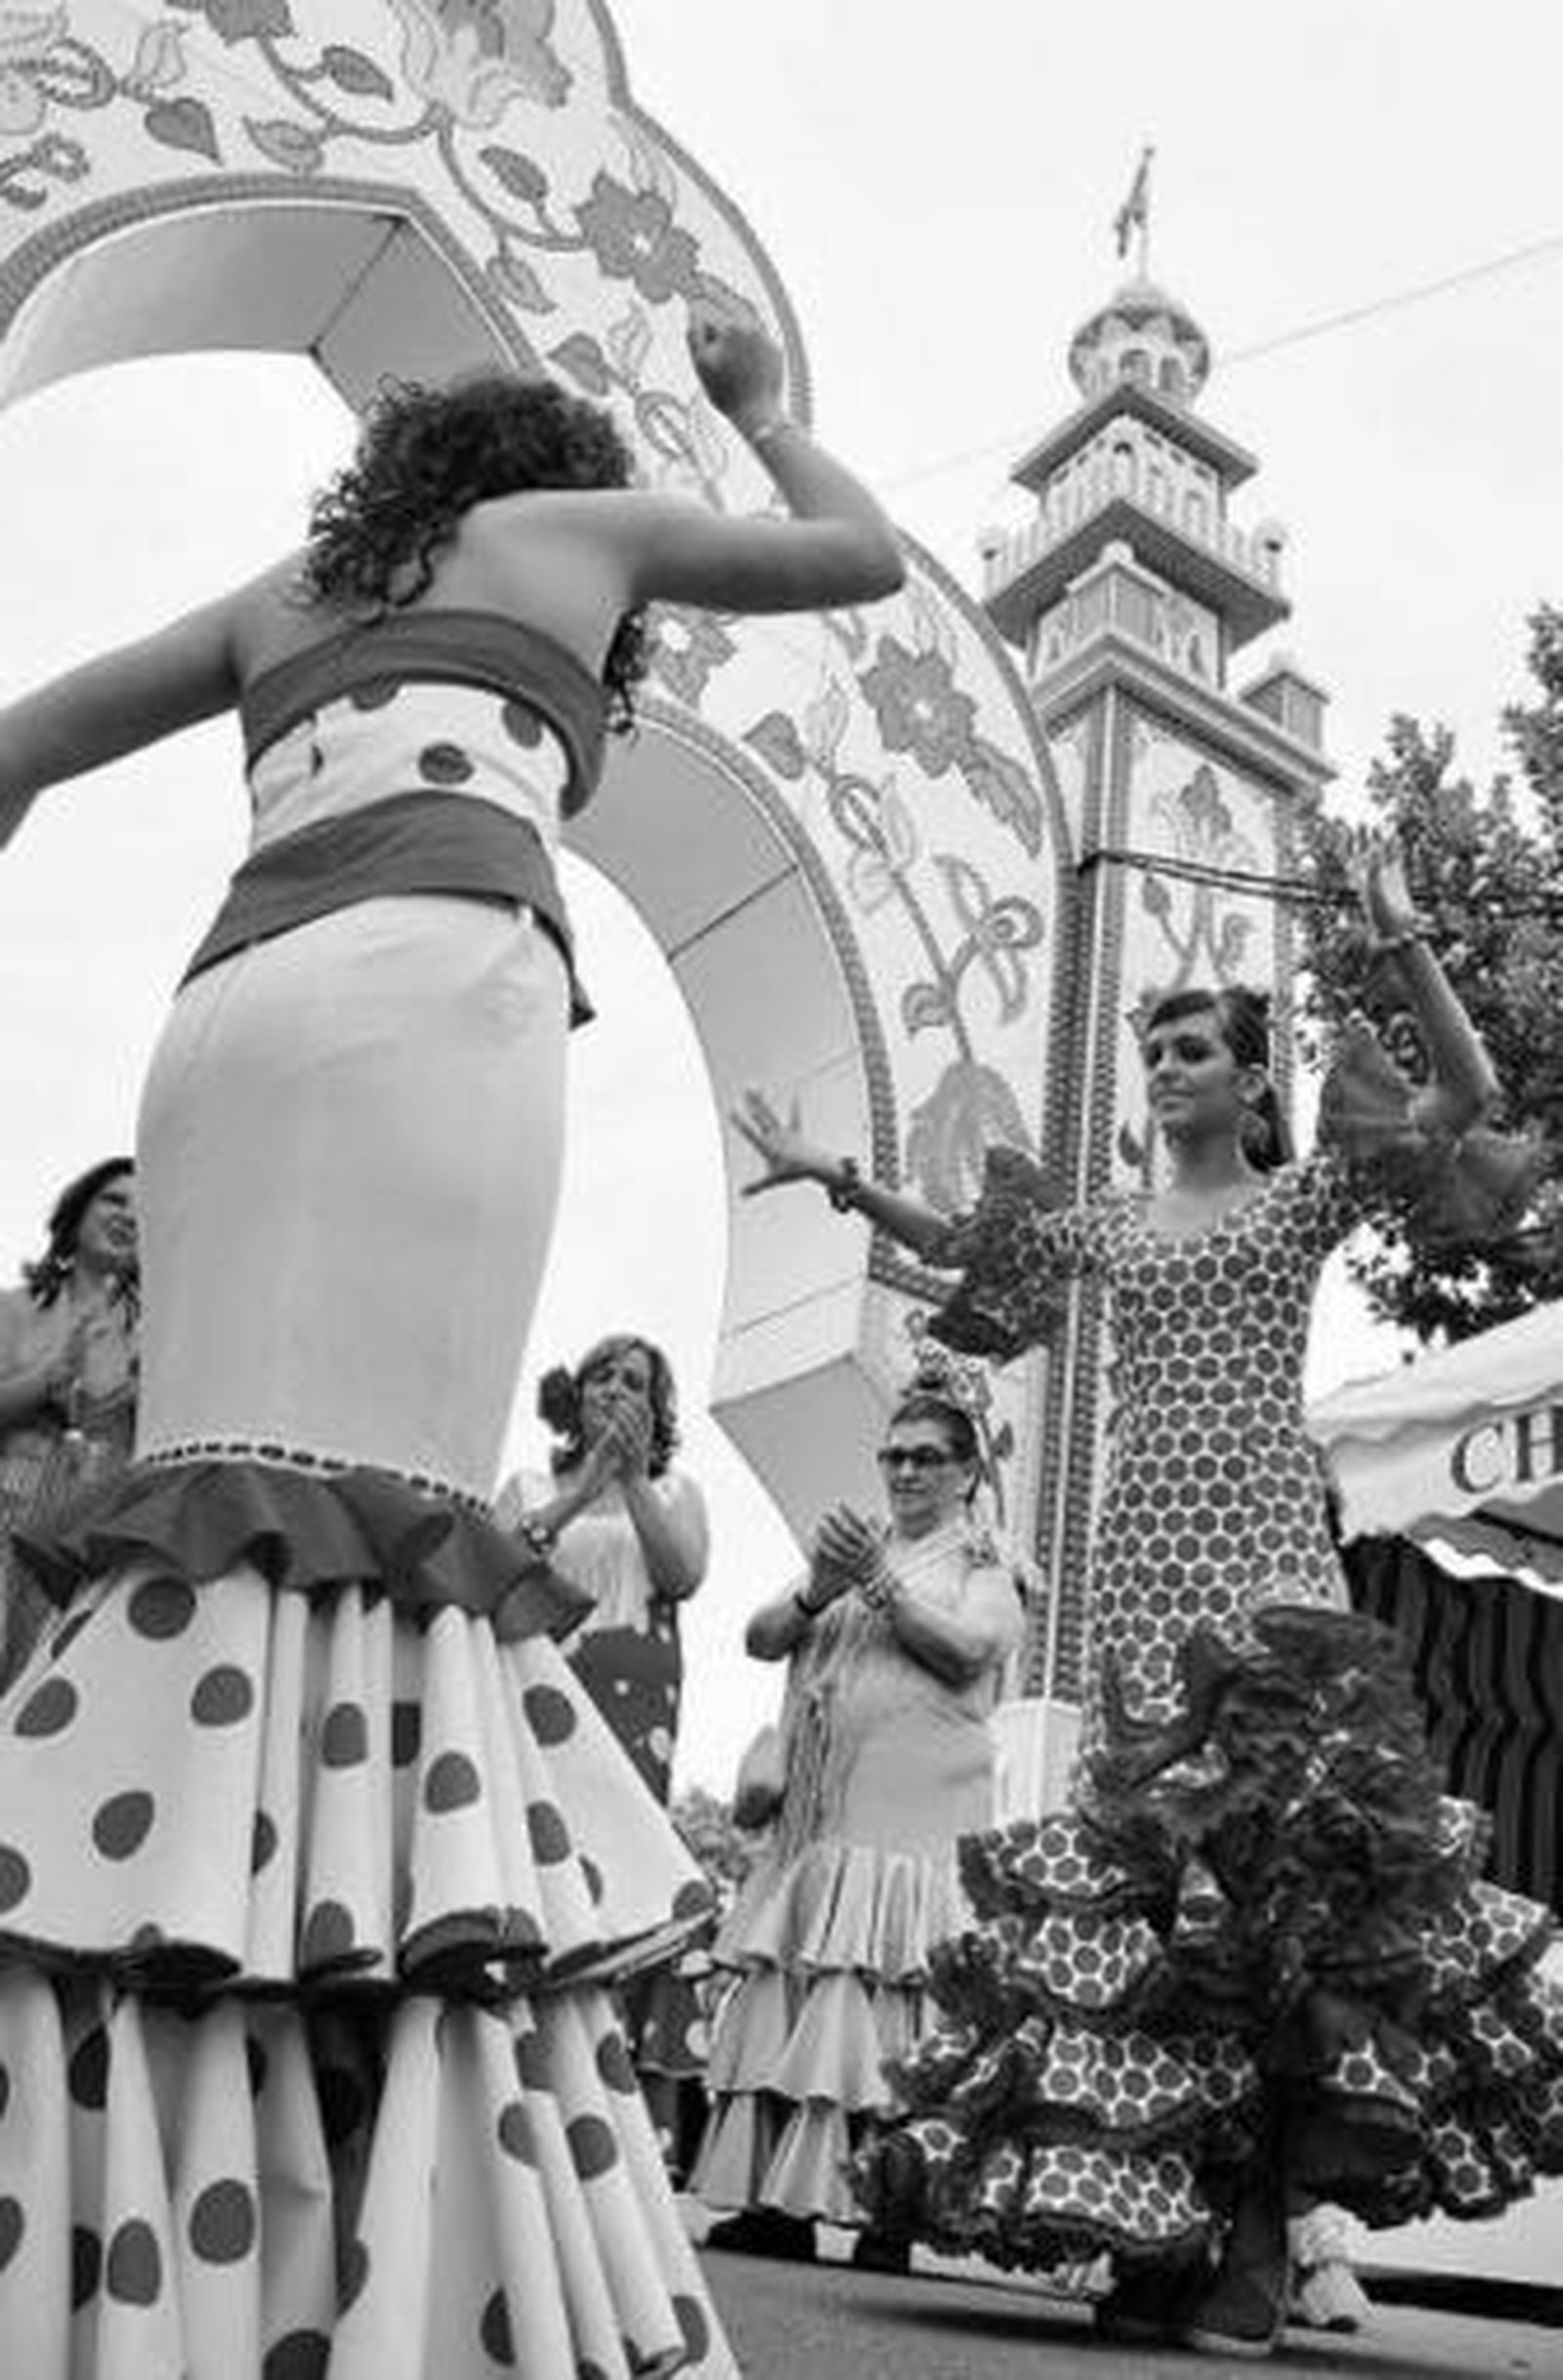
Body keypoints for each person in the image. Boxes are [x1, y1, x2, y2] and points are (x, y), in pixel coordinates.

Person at [0, 309, 903, 2377]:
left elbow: (16, 744)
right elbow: (856, 560)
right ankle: (381, 2087)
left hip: (224, 1019)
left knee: (218, 1499)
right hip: (436, 978)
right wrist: (765, 415)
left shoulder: (282, 594)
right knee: (392, 1510)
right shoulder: (578, 527)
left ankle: (142, 2105)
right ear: (548, 461)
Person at [732, 843, 1563, 2356]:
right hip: (1138, 1574)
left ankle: (1258, 2232)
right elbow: (969, 1248)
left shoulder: (1299, 1201)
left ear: (1249, 1083)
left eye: (1194, 1050)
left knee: (1278, 1899)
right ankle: (1171, 2220)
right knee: (1159, 1916)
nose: (1168, 1069)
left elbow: (1462, 1095)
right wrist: (840, 1181)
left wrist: (1402, 942)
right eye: (1156, 1051)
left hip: (1267, 1571)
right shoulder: (1112, 1224)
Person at [696, 1369, 1025, 2271]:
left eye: (926, 1458)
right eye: (893, 1456)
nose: (905, 1471)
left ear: (966, 1473)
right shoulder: (856, 1548)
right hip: (821, 1823)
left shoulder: (985, 1563)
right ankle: (780, 2205)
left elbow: (970, 1651)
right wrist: (819, 1586)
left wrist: (879, 1585)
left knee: (897, 2005)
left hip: (913, 1826)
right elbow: (761, 1637)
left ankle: (891, 2214)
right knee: (802, 1991)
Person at [496, 1335, 711, 2178]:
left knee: (621, 1875)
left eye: (637, 1384)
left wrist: (629, 1478)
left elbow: (682, 1574)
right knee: (536, 1861)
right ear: (575, 1395)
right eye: (604, 1377)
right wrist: (584, 1488)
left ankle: (615, 2110)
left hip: (637, 1701)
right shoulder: (527, 1487)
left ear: (658, 1410)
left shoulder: (676, 1490)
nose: (618, 1391)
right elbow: (499, 1567)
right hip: (543, 1684)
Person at [0, 1158, 137, 1691]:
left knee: (49, 1688)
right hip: (8, 1510)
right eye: (114, 1200)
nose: (129, 1216)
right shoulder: (12, 1310)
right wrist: (48, 1378)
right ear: (77, 1211)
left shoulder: (160, 1333)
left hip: (90, 1539)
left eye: (145, 1210)